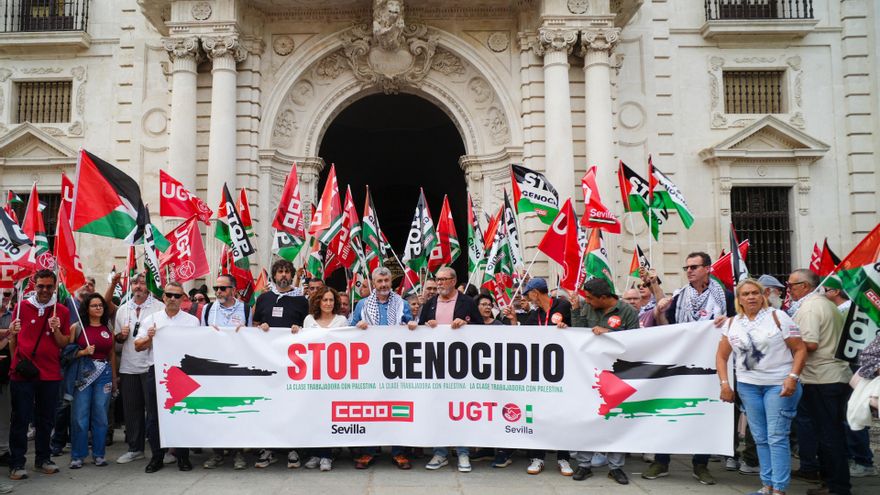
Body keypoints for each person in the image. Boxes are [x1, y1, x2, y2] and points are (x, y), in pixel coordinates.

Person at [645, 252, 734, 485]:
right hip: (681, 365)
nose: (689, 271)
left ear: (708, 269)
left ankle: (700, 464)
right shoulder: (680, 296)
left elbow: (739, 323)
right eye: (687, 267)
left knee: (704, 413)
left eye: (694, 266)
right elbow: (669, 328)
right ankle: (661, 461)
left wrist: (729, 322)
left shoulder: (725, 297)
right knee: (668, 412)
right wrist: (660, 311)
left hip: (711, 366)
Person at [716, 279, 807, 495]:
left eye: (755, 293)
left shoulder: (779, 317)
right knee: (760, 437)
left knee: (776, 436)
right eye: (745, 294)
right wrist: (725, 384)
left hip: (778, 384)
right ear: (739, 299)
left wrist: (793, 377)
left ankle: (779, 489)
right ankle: (767, 485)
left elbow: (800, 349)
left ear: (763, 295)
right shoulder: (731, 323)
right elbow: (721, 356)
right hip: (749, 387)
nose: (751, 297)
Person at [787, 269, 852, 495]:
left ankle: (838, 487)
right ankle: (831, 482)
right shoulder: (824, 303)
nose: (789, 289)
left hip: (823, 378)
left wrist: (786, 343)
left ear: (804, 286)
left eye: (791, 285)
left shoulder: (811, 307)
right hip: (830, 376)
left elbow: (810, 344)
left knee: (829, 435)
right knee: (830, 432)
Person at [571, 278, 638, 485]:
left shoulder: (627, 312)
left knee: (615, 420)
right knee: (586, 419)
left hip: (616, 374)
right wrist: (574, 311)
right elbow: (578, 334)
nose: (587, 302)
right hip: (588, 374)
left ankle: (615, 467)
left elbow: (636, 342)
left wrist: (610, 334)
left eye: (590, 298)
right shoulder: (587, 308)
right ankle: (584, 464)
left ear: (603, 298)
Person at [502, 278, 572, 476]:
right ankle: (537, 457)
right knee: (537, 415)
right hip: (540, 373)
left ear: (535, 293)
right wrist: (514, 320)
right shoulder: (535, 314)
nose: (527, 298)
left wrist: (568, 328)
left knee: (561, 416)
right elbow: (523, 337)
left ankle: (564, 458)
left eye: (527, 294)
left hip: (562, 371)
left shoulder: (563, 305)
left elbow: (577, 326)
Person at [350, 266, 417, 470]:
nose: (383, 285)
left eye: (386, 281)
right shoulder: (362, 304)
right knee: (371, 407)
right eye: (379, 281)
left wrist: (413, 325)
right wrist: (357, 326)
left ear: (391, 282)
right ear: (373, 282)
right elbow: (349, 330)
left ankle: (399, 452)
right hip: (369, 366)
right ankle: (369, 451)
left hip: (396, 365)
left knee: (398, 408)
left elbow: (411, 327)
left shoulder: (402, 304)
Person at [7, 269, 71, 480]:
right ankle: (17, 462)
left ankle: (43, 459)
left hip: (50, 373)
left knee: (46, 420)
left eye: (49, 286)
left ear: (54, 287)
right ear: (34, 285)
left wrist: (57, 330)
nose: (44, 290)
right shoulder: (20, 307)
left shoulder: (60, 310)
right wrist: (12, 337)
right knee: (21, 419)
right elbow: (13, 344)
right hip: (23, 373)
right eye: (41, 286)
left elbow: (63, 344)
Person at [419, 267, 483, 473]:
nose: (439, 284)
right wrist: (425, 326)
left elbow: (481, 330)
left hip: (461, 367)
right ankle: (440, 452)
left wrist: (466, 323)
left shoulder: (468, 303)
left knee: (460, 409)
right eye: (437, 280)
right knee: (438, 408)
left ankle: (463, 452)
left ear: (454, 281)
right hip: (436, 366)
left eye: (444, 280)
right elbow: (420, 332)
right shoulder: (429, 304)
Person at [251, 259, 310, 470]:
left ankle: (292, 448)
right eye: (280, 272)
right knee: (269, 406)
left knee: (291, 406)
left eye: (287, 272)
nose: (283, 275)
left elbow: (310, 328)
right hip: (267, 363)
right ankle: (268, 449)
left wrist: (299, 329)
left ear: (292, 274)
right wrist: (261, 327)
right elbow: (255, 324)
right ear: (274, 276)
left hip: (293, 365)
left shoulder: (302, 300)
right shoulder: (265, 299)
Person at [136, 282, 199, 473]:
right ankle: (157, 457)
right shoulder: (151, 320)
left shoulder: (191, 322)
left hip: (181, 373)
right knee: (155, 416)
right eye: (169, 295)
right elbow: (138, 346)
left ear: (183, 299)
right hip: (157, 371)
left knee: (182, 414)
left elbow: (198, 347)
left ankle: (183, 456)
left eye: (177, 296)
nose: (173, 298)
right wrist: (150, 338)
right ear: (163, 297)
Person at [199, 273, 252, 470]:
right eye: (216, 288)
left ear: (233, 290)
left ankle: (238, 452)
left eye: (223, 288)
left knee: (236, 411)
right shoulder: (207, 309)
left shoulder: (245, 308)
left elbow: (252, 338)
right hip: (214, 368)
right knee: (216, 411)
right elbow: (199, 337)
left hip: (237, 369)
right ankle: (218, 453)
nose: (218, 292)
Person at [823, 281, 876, 478]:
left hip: (858, 368)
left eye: (825, 290)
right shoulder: (849, 309)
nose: (823, 294)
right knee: (851, 413)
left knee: (853, 412)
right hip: (854, 367)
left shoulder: (851, 310)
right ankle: (857, 458)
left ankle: (862, 460)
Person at [115, 273, 165, 465]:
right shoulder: (122, 310)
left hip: (151, 366)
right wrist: (121, 335)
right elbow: (118, 342)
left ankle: (160, 450)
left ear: (149, 286)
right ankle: (135, 448)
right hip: (129, 367)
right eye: (135, 283)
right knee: (132, 411)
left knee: (154, 412)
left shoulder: (159, 308)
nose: (138, 286)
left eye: (142, 283)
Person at [299, 287, 349, 472]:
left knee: (329, 415)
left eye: (331, 300)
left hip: (334, 376)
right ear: (318, 301)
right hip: (312, 374)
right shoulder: (309, 320)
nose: (328, 304)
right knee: (313, 415)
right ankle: (315, 453)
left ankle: (326, 455)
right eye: (324, 300)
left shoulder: (341, 321)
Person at [68, 293, 117, 469]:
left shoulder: (107, 327)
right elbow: (67, 352)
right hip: (83, 374)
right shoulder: (77, 327)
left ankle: (99, 454)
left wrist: (114, 378)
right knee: (80, 416)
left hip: (103, 374)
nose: (98, 308)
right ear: (86, 309)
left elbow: (111, 354)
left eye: (100, 305)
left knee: (101, 416)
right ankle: (78, 455)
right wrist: (82, 352)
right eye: (94, 305)